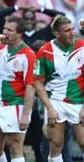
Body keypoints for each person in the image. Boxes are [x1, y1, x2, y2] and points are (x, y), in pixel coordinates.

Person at [0, 16, 36, 162]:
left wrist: (25, 114)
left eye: (9, 30)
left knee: (15, 147)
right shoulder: (0, 49)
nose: (5, 32)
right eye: (4, 29)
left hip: (15, 106)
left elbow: (30, 86)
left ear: (19, 33)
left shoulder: (28, 54)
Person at [34, 15, 84, 162]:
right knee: (55, 145)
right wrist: (49, 108)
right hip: (55, 102)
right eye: (67, 30)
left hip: (78, 101)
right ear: (57, 34)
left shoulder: (81, 47)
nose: (72, 33)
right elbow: (37, 82)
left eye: (73, 29)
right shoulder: (44, 51)